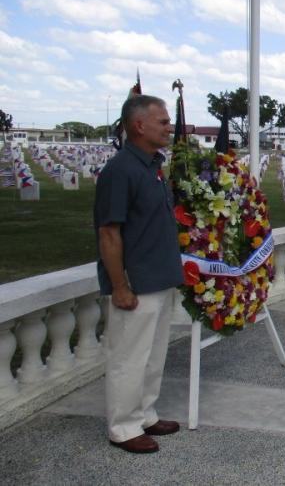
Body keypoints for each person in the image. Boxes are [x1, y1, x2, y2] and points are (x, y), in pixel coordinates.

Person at [94, 95, 184, 454]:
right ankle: (123, 426)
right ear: (138, 125)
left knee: (152, 354)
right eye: (162, 121)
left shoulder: (152, 166)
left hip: (159, 277)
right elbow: (109, 232)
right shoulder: (121, 170)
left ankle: (144, 413)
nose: (169, 127)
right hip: (136, 282)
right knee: (128, 357)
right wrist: (120, 286)